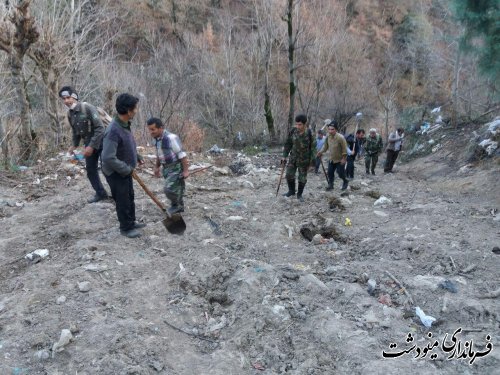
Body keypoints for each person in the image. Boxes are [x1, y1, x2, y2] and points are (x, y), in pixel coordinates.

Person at [101, 93, 145, 238]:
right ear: (128, 111)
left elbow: (125, 144)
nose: (136, 111)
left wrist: (136, 156)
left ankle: (131, 222)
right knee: (122, 199)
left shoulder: (124, 124)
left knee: (129, 196)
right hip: (116, 172)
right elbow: (108, 157)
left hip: (124, 170)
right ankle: (125, 228)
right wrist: (126, 169)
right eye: (135, 108)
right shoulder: (113, 130)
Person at [59, 86, 109, 203]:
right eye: (64, 99)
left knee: (107, 169)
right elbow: (75, 131)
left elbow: (100, 128)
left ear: (74, 97)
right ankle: (101, 193)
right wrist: (74, 145)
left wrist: (91, 146)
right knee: (91, 170)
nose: (66, 101)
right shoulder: (70, 114)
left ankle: (117, 194)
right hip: (88, 144)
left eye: (68, 98)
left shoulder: (87, 108)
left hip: (102, 142)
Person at [146, 117, 189, 215]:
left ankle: (176, 206)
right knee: (176, 187)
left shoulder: (171, 138)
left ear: (161, 128)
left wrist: (186, 170)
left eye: (153, 129)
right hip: (166, 168)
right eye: (149, 129)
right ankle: (179, 206)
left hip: (176, 166)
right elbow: (159, 154)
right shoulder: (156, 139)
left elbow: (182, 154)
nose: (151, 132)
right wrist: (157, 167)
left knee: (168, 189)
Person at [281, 114, 316, 202]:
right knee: (289, 174)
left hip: (304, 160)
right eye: (296, 124)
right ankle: (291, 191)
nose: (297, 126)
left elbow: (313, 149)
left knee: (302, 178)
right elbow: (288, 143)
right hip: (293, 157)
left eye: (300, 124)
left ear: (305, 124)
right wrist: (284, 156)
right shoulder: (293, 131)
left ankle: (299, 194)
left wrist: (312, 163)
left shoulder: (310, 133)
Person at [317, 121, 348, 191]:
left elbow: (344, 149)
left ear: (336, 129)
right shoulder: (328, 137)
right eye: (329, 129)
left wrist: (344, 158)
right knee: (330, 173)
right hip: (331, 159)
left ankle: (345, 181)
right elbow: (325, 147)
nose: (330, 131)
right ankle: (331, 185)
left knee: (340, 173)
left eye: (332, 129)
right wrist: (320, 152)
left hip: (340, 159)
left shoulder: (341, 138)